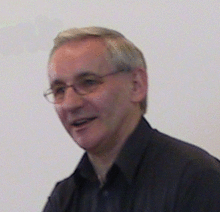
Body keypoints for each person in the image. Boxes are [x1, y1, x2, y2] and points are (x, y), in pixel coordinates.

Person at [42, 26, 220, 212]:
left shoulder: (195, 179)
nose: (70, 104)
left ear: (136, 85)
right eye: (59, 90)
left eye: (88, 82)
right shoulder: (64, 199)